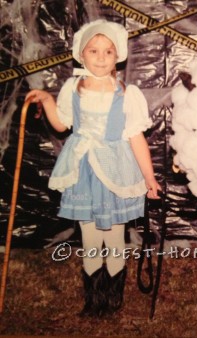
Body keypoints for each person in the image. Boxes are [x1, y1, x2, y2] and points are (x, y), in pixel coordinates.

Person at [26, 19, 161, 317]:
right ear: (81, 54)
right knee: (89, 236)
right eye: (94, 50)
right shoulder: (73, 88)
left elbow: (137, 138)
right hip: (84, 173)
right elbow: (62, 124)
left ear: (118, 56)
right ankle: (93, 298)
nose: (101, 57)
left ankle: (112, 299)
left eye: (108, 52)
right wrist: (47, 100)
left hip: (115, 173)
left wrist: (149, 179)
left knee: (113, 236)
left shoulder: (126, 94)